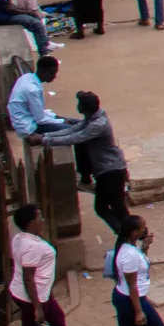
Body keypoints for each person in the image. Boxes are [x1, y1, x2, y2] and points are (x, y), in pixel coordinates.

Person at [29, 92, 127, 239]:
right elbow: (75, 129)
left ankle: (128, 236)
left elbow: (76, 137)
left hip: (111, 170)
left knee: (113, 208)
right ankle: (126, 235)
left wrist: (43, 140)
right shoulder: (93, 118)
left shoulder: (98, 124)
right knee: (108, 208)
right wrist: (45, 137)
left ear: (83, 107)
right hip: (107, 170)